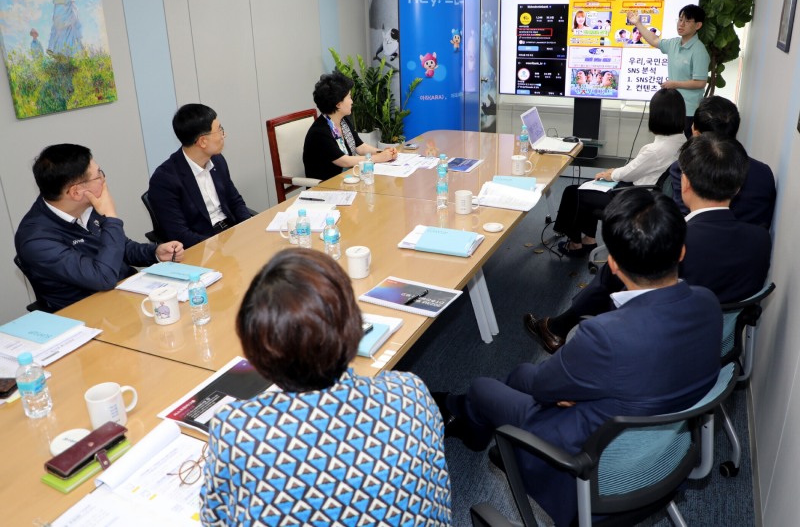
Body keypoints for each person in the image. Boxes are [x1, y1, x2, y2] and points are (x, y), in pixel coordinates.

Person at [437, 189, 722, 527]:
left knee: (489, 386)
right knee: (519, 378)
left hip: (591, 467)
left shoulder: (606, 335)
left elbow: (544, 388)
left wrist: (564, 393)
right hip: (665, 456)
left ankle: (470, 420)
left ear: (612, 263)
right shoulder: (708, 303)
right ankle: (479, 423)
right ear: (682, 251)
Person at [200, 249, 451, 526]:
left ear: (258, 351)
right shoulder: (411, 394)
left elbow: (215, 519)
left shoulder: (237, 431)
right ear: (354, 324)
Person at [526, 133, 771, 354]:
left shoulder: (670, 242)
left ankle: (557, 326)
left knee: (614, 271)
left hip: (658, 346)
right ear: (738, 188)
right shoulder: (761, 239)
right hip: (716, 347)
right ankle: (557, 326)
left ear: (684, 185)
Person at [15, 144, 184, 311]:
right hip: (89, 314)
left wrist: (155, 253)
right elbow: (102, 278)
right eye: (98, 176)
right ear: (76, 192)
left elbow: (120, 247)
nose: (103, 180)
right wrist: (110, 216)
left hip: (126, 296)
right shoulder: (36, 240)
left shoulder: (84, 206)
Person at [553, 88, 686, 257]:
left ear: (657, 116)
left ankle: (575, 244)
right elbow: (637, 169)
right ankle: (588, 240)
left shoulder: (655, 149)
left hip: (636, 197)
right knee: (586, 189)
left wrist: (611, 173)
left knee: (575, 192)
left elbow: (630, 173)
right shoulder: (683, 141)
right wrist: (614, 173)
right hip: (652, 194)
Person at [149, 103, 252, 248]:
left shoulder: (217, 160)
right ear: (203, 141)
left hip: (230, 233)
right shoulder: (164, 180)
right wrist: (217, 246)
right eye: (220, 130)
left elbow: (235, 201)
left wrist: (250, 226)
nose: (224, 135)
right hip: (202, 245)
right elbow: (179, 234)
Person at [668, 95, 777, 228]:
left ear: (696, 134)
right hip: (752, 246)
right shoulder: (764, 173)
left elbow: (683, 220)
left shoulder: (683, 168)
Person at [627, 5, 710, 137]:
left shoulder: (699, 51)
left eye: (687, 21)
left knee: (685, 148)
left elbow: (700, 83)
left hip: (688, 111)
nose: (681, 24)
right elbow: (654, 40)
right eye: (680, 19)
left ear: (698, 25)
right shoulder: (674, 43)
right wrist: (638, 23)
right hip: (673, 108)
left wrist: (675, 84)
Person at [303, 71, 397, 181]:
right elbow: (344, 161)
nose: (352, 101)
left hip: (347, 180)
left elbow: (360, 147)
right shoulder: (319, 132)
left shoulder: (343, 121)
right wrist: (379, 158)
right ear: (338, 104)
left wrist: (384, 153)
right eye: (349, 97)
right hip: (327, 187)